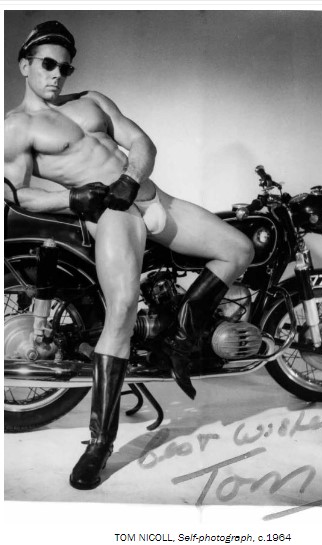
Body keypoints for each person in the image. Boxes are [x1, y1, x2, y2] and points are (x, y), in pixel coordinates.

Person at [4, 20, 254, 490]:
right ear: (24, 66)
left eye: (65, 66)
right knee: (121, 309)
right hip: (111, 215)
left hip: (150, 198)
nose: (57, 74)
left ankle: (179, 339)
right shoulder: (17, 126)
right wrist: (73, 198)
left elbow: (142, 143)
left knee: (238, 249)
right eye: (48, 64)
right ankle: (99, 445)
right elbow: (14, 194)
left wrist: (130, 178)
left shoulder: (93, 100)